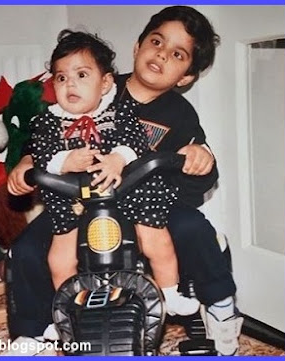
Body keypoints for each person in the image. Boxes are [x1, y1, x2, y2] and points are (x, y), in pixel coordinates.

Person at [6, 6, 243, 356]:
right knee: (27, 248)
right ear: (137, 46)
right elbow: (43, 138)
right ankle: (32, 332)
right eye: (156, 41)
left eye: (177, 54)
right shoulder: (94, 83)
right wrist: (26, 162)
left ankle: (220, 307)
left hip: (146, 201)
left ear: (185, 77)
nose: (161, 53)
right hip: (78, 200)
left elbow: (195, 186)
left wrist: (200, 161)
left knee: (192, 226)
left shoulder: (180, 115)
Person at [27, 29, 200, 317]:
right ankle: (66, 311)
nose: (70, 84)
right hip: (73, 200)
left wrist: (117, 159)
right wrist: (64, 162)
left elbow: (135, 141)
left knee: (157, 238)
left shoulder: (119, 112)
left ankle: (170, 292)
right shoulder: (49, 120)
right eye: (61, 77)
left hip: (125, 194)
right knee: (59, 258)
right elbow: (40, 153)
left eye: (82, 75)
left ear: (105, 83)